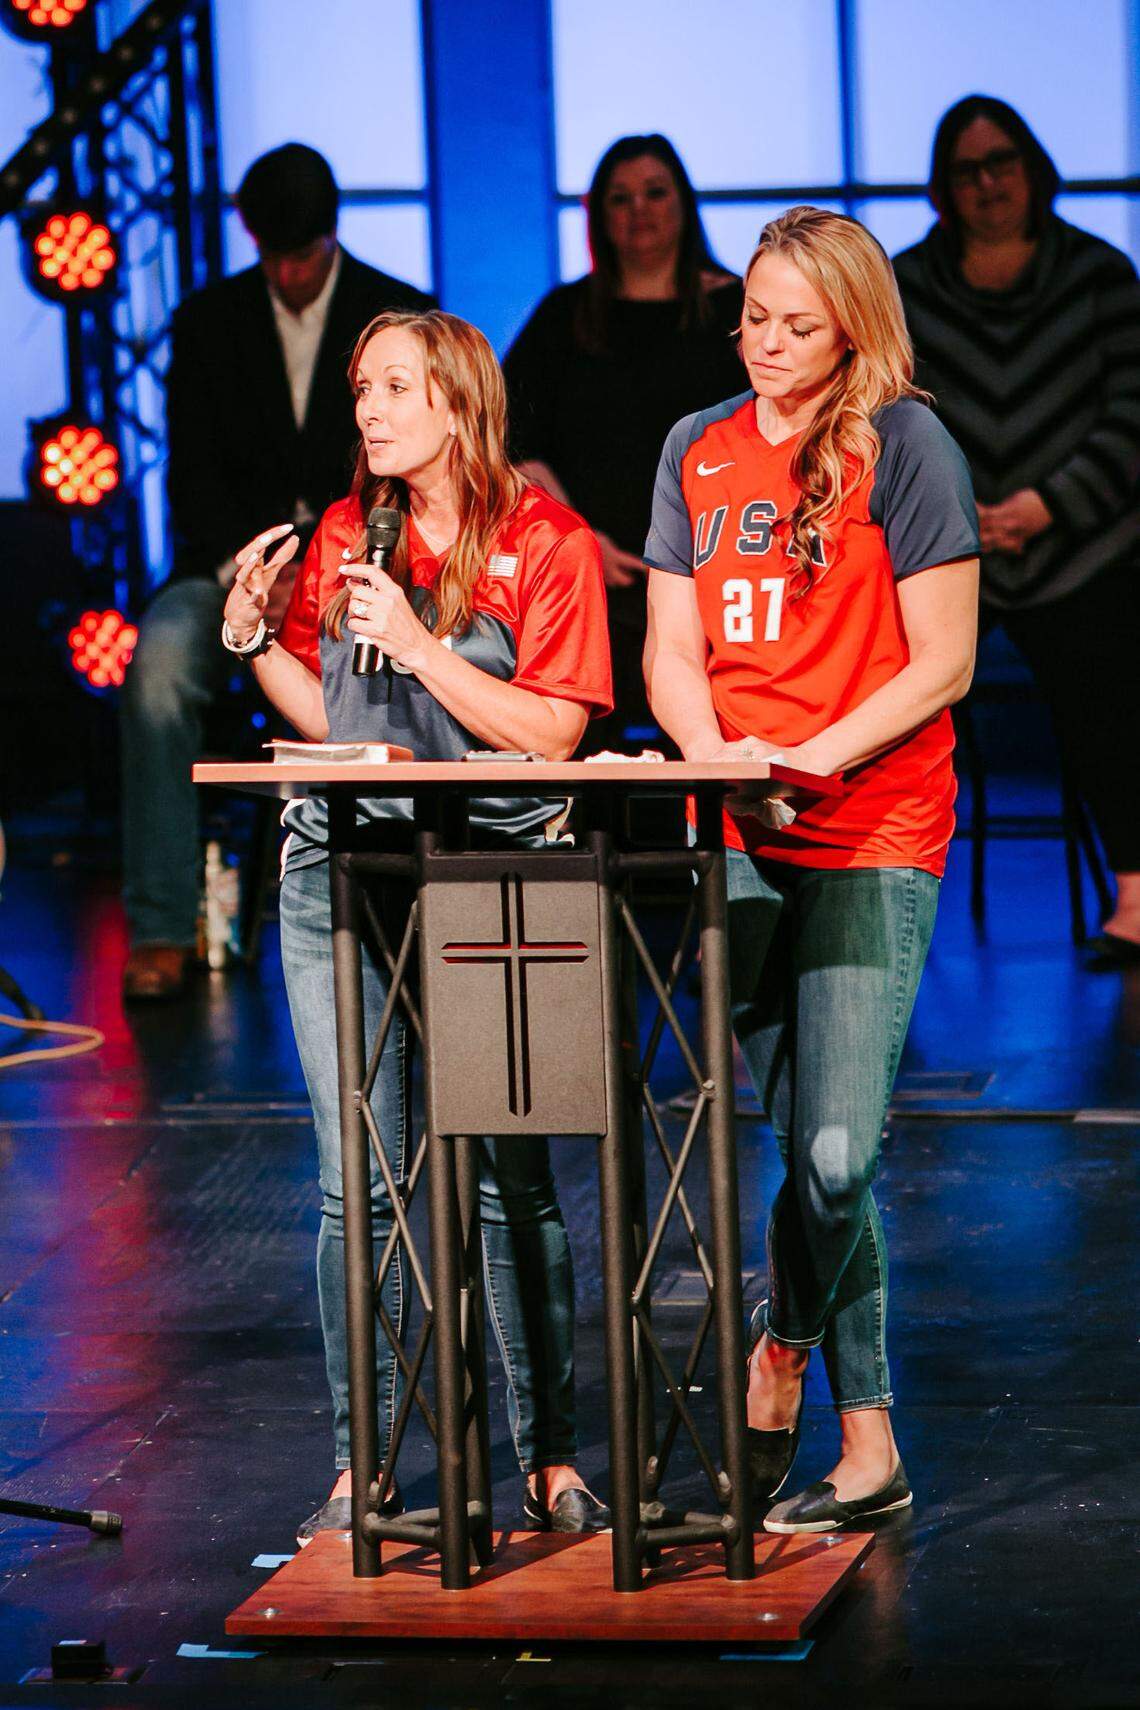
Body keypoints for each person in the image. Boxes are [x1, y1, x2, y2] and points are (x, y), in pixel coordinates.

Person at [220, 308, 614, 1542]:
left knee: (509, 1183)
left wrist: (420, 643)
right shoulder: (348, 532)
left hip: (503, 870)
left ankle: (549, 1459)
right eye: (360, 388)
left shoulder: (546, 540)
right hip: (343, 868)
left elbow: (555, 732)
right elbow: (334, 713)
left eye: (394, 386)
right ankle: (368, 1462)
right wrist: (248, 638)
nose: (369, 411)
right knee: (361, 1188)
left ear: (458, 401)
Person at [643, 206, 979, 1533]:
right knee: (798, 1141)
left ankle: (780, 1348)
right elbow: (672, 647)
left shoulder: (906, 441)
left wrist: (811, 754)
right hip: (741, 827)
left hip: (872, 825)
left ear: (852, 323)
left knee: (836, 1156)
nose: (769, 345)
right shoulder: (697, 448)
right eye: (753, 319)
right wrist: (718, 752)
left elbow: (942, 658)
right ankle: (873, 1441)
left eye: (798, 324)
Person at [120, 143, 433, 1000]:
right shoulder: (208, 319)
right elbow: (189, 476)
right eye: (277, 256)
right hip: (233, 570)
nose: (292, 273)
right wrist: (251, 575)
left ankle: (415, 908)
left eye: (307, 255)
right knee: (155, 673)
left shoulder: (395, 311)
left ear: (331, 237)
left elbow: (413, 473)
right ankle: (158, 924)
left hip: (368, 566)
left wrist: (331, 565)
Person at [893, 96, 1140, 967]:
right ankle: (862, 889)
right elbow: (883, 412)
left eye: (1003, 163)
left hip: (1081, 545)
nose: (988, 183)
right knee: (883, 692)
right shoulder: (907, 286)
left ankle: (1138, 900)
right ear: (943, 187)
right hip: (940, 549)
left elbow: (1132, 416)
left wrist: (1049, 505)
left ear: (1033, 170)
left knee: (1113, 680)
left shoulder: (1101, 275)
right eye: (968, 170)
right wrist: (949, 517)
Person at [503, 133, 745, 750]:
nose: (639, 210)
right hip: (591, 568)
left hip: (718, 561)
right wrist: (578, 540)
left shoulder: (740, 309)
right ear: (599, 216)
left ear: (684, 203)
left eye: (655, 192)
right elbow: (508, 438)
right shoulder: (563, 314)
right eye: (620, 197)